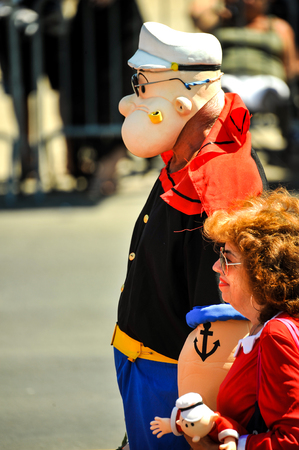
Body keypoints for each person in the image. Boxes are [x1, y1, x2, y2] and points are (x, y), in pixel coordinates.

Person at [112, 22, 268, 450]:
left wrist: (198, 416)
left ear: (187, 95)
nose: (131, 101)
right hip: (147, 366)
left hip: (172, 378)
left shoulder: (224, 181)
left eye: (142, 85)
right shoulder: (189, 144)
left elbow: (226, 318)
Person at [185, 187, 299, 449]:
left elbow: (292, 440)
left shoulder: (276, 334)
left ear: (262, 270)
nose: (216, 267)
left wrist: (228, 444)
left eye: (227, 258)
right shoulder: (271, 326)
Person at [189, 0, 298, 134]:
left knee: (273, 90)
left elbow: (291, 65)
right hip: (229, 80)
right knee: (219, 89)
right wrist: (221, 5)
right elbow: (195, 14)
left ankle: (283, 130)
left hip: (268, 82)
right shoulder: (222, 21)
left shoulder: (279, 27)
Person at [150, 392, 247, 450]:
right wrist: (170, 425)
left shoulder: (219, 422)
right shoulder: (186, 424)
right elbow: (183, 424)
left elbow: (229, 428)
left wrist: (230, 441)